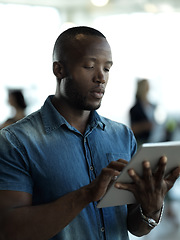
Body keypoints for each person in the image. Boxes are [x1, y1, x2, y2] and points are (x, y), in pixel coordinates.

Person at [0, 26, 179, 240]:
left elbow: (135, 226)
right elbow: (9, 230)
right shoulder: (15, 142)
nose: (101, 77)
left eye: (107, 68)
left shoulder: (122, 136)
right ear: (59, 70)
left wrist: (151, 208)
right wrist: (86, 194)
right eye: (89, 66)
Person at [129, 79, 156, 145]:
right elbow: (132, 129)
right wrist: (144, 126)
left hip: (154, 139)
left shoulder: (152, 106)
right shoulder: (134, 109)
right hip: (141, 142)